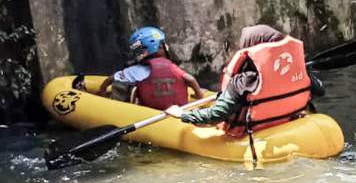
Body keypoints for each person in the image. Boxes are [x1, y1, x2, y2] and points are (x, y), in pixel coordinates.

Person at [167, 25, 324, 137]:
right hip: (289, 125)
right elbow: (320, 90)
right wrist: (301, 70)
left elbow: (215, 116)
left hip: (254, 135)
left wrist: (182, 114)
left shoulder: (243, 82)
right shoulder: (298, 72)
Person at [96, 26, 203, 110]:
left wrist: (102, 91)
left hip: (150, 112)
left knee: (121, 86)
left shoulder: (134, 71)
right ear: (159, 47)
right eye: (163, 44)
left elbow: (111, 78)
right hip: (179, 109)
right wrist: (199, 95)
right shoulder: (172, 67)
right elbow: (190, 79)